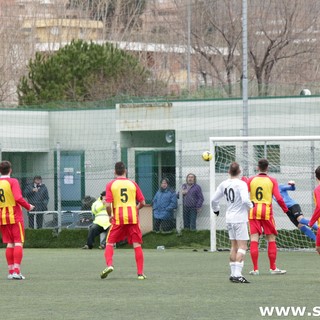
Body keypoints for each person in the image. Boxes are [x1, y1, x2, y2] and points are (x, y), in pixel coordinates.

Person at [100, 161, 146, 280]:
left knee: (109, 242)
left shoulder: (111, 184)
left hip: (119, 217)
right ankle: (140, 274)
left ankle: (110, 265)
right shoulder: (133, 184)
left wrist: (110, 216)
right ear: (125, 171)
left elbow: (108, 205)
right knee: (137, 245)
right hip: (132, 217)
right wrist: (135, 209)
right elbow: (143, 203)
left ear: (114, 172)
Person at [211, 162, 253, 284]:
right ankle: (237, 274)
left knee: (234, 246)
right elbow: (245, 200)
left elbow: (214, 199)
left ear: (228, 171)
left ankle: (233, 274)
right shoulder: (241, 184)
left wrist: (216, 209)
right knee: (243, 246)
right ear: (239, 172)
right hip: (239, 219)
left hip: (229, 218)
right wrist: (252, 206)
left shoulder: (224, 184)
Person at [247, 158, 289, 276]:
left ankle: (255, 269)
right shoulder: (272, 180)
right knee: (271, 239)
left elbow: (245, 194)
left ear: (257, 167)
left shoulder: (251, 180)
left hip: (253, 211)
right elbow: (279, 198)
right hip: (266, 212)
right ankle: (273, 268)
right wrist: (285, 209)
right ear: (268, 168)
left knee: (254, 239)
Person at [0, 160, 35, 280]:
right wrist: (28, 206)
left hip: (2, 217)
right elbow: (18, 197)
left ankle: (10, 272)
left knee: (10, 243)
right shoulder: (13, 181)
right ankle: (16, 271)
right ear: (10, 170)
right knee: (18, 242)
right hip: (14, 216)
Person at [309, 166, 320, 254]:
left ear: (316, 178)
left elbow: (319, 207)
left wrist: (311, 222)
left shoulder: (318, 190)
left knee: (318, 248)